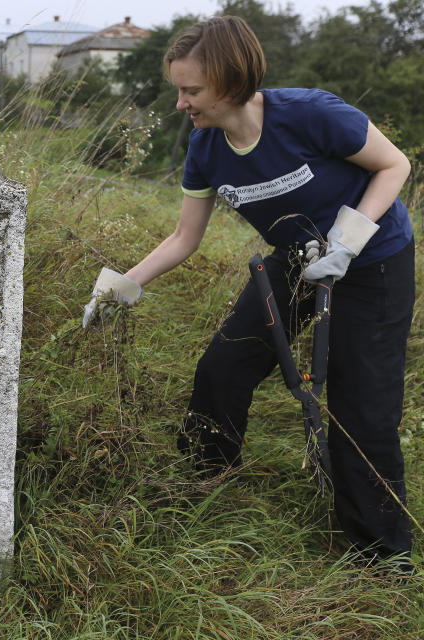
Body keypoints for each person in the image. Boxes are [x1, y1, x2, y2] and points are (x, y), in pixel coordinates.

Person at [83, 15, 414, 570]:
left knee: (362, 405)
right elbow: (185, 237)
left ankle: (381, 553)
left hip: (372, 263)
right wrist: (123, 285)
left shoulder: (310, 114)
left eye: (192, 90)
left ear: (231, 81)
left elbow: (394, 164)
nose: (183, 103)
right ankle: (202, 481)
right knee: (223, 367)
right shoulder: (206, 146)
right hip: (295, 262)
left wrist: (349, 238)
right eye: (178, 90)